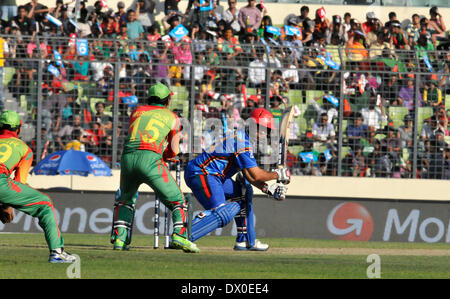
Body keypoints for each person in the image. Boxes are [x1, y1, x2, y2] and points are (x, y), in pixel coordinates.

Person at [184, 108, 290, 250]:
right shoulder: (242, 142)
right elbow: (256, 174)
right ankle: (183, 236)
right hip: (202, 173)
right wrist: (278, 174)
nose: (262, 133)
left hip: (216, 176)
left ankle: (244, 240)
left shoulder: (244, 140)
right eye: (259, 128)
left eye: (266, 130)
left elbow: (249, 175)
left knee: (243, 192)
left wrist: (267, 189)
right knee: (222, 213)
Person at [110, 83, 199, 253]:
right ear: (168, 100)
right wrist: (165, 157)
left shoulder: (136, 112)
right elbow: (174, 150)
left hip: (128, 158)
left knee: (125, 200)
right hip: (150, 160)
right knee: (179, 200)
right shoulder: (172, 117)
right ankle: (179, 236)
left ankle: (120, 241)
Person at [0, 110, 76, 263]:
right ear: (19, 129)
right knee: (45, 204)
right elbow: (18, 183)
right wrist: (6, 205)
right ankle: (57, 252)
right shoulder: (24, 148)